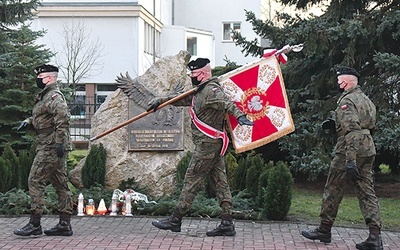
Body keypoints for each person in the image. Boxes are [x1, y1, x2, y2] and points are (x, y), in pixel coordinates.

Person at [148, 58, 253, 236]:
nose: (191, 76)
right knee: (220, 183)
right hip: (213, 145)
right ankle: (227, 223)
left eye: (194, 74)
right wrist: (160, 100)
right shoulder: (201, 91)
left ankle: (176, 219)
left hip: (206, 146)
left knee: (191, 179)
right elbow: (182, 99)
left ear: (203, 74)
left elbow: (227, 104)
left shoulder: (211, 91)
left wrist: (241, 116)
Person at [301, 67, 383, 250]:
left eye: (339, 81)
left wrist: (350, 159)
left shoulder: (347, 100)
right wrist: (336, 126)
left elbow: (352, 130)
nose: (338, 84)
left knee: (333, 188)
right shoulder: (366, 100)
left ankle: (324, 229)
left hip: (349, 149)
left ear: (344, 82)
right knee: (367, 192)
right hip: (367, 148)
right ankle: (375, 236)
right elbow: (366, 126)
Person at [14, 64, 74, 237]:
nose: (37, 80)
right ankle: (64, 224)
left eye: (40, 77)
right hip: (49, 144)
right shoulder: (45, 96)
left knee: (35, 180)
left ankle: (35, 224)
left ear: (48, 78)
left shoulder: (54, 96)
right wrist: (28, 121)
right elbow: (42, 117)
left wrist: (59, 143)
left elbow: (63, 119)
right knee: (60, 183)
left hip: (51, 146)